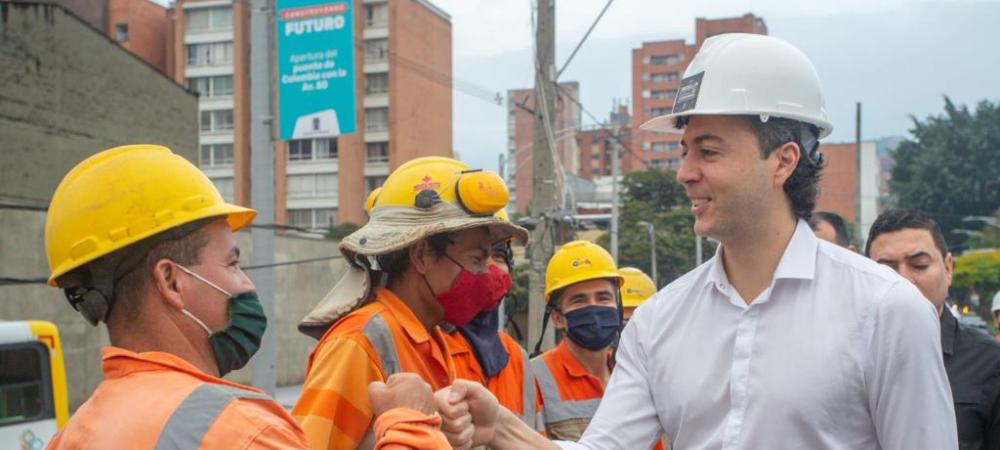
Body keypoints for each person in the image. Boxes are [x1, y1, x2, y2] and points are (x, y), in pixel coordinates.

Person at [433, 33, 956, 450]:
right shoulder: (660, 321)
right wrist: (500, 428)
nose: (684, 173)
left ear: (783, 160)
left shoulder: (886, 311)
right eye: (685, 150)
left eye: (708, 151)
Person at [44, 145, 444, 449]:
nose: (246, 285)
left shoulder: (72, 435)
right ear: (171, 282)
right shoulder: (243, 431)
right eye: (232, 264)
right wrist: (408, 422)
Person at [292, 156, 527, 450]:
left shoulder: (434, 337)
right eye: (476, 260)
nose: (485, 274)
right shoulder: (358, 342)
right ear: (422, 255)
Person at [867, 208, 1000, 449]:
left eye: (919, 265)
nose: (903, 281)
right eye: (886, 270)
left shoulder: (991, 362)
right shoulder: (844, 355)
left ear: (948, 268)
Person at [441, 210, 540, 431]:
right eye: (478, 256)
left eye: (499, 256)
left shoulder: (515, 356)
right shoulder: (430, 344)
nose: (489, 267)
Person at [529, 241, 625, 442]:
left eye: (603, 297)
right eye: (579, 300)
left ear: (617, 306)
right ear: (557, 317)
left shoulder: (631, 373)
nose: (594, 308)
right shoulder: (534, 378)